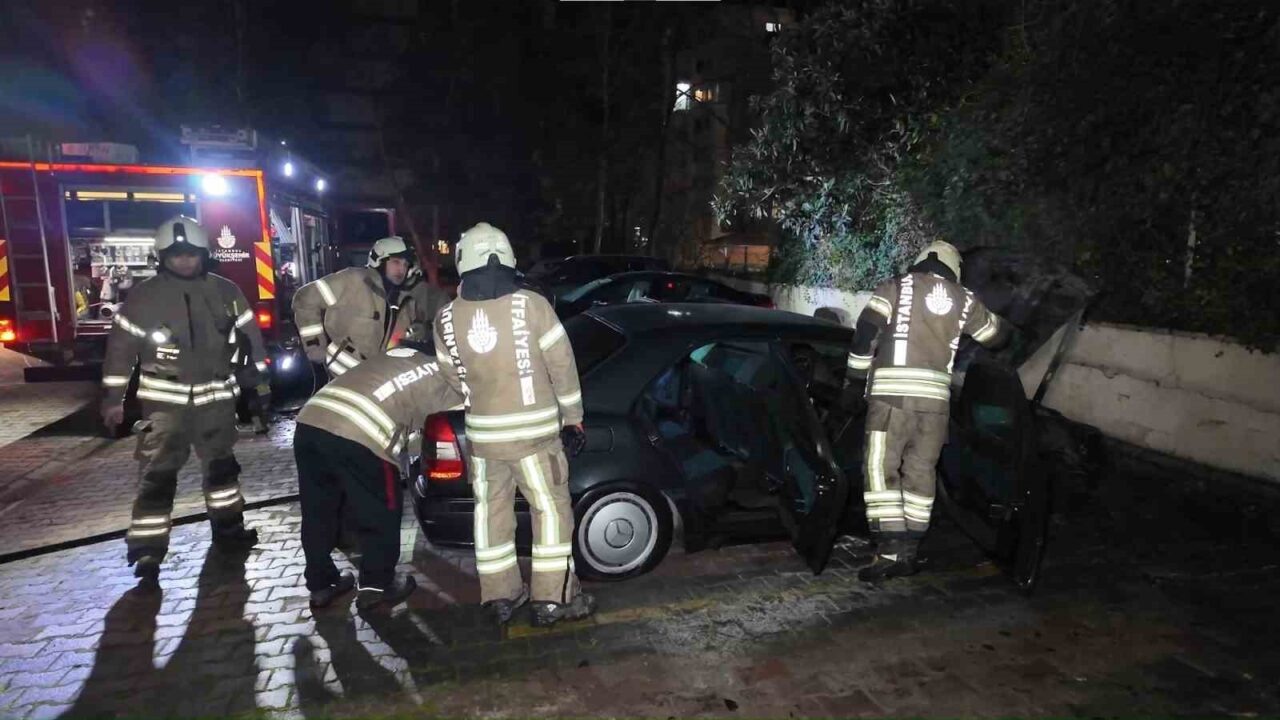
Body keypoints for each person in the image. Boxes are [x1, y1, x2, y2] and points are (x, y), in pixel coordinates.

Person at [433, 222, 594, 627]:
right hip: (534, 439)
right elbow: (562, 365)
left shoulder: (446, 317)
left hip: (484, 440)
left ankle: (500, 597)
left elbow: (451, 375)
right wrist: (573, 420)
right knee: (551, 512)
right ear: (505, 256)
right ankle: (553, 599)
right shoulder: (532, 306)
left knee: (491, 514)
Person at [100, 216, 266, 588]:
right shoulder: (144, 297)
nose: (185, 261)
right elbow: (120, 352)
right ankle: (147, 550)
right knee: (156, 478)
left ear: (204, 254)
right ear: (163, 257)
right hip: (164, 409)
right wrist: (113, 399)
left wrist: (258, 383)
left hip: (216, 403)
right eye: (177, 255)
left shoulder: (226, 291)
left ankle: (229, 531)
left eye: (191, 254)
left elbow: (250, 339)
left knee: (223, 473)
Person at [842, 240, 1011, 581]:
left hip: (892, 401)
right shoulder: (964, 299)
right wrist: (1010, 323)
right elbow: (996, 336)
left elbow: (866, 333)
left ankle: (889, 552)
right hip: (935, 408)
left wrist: (853, 382)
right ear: (955, 269)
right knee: (921, 472)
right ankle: (909, 553)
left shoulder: (895, 287)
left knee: (880, 468)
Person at [293, 338, 463, 610]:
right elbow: (444, 433)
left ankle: (321, 584)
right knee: (381, 510)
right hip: (361, 435)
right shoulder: (449, 379)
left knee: (318, 511)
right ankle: (377, 585)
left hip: (310, 423)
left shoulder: (400, 354)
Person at [292, 236, 449, 379]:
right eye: (396, 262)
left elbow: (400, 343)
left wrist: (419, 332)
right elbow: (305, 297)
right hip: (338, 375)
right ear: (379, 261)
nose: (401, 269)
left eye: (405, 264)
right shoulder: (353, 280)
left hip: (372, 381)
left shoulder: (404, 303)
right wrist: (315, 346)